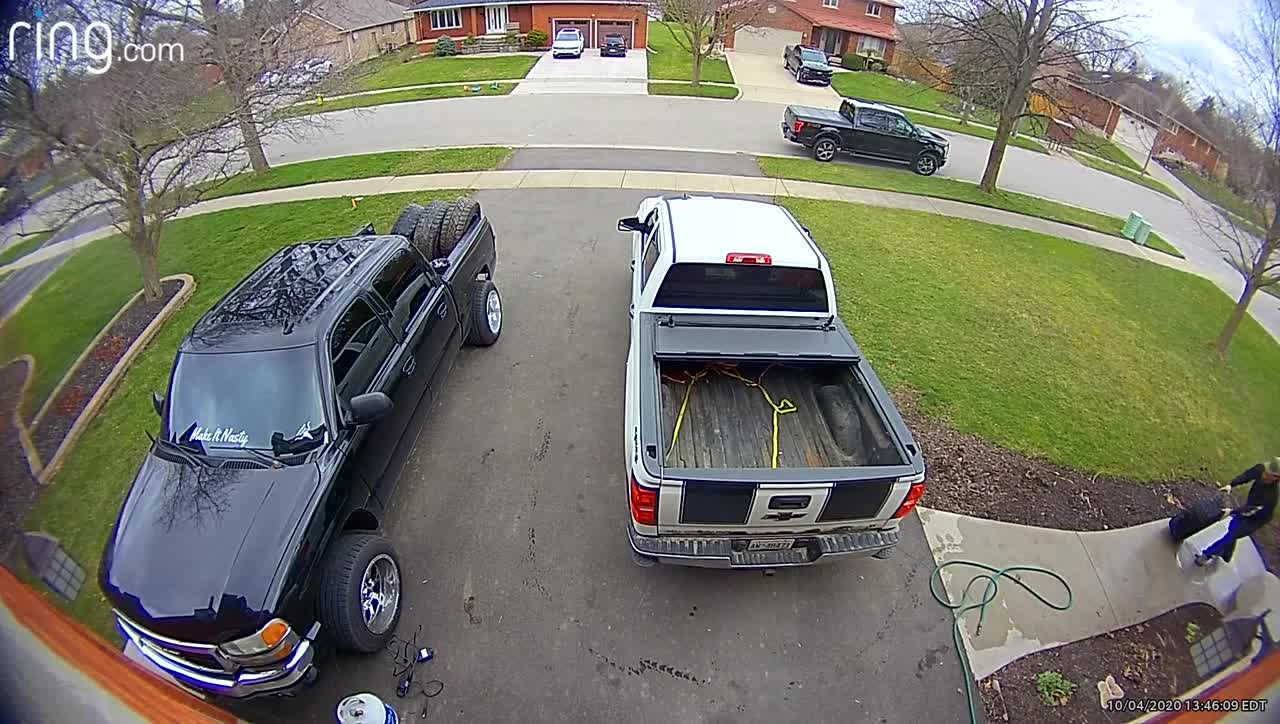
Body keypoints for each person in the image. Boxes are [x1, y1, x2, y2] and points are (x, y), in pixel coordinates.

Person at [1195, 457, 1280, 566]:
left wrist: (1231, 512)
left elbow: (1250, 510)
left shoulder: (1271, 496)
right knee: (1232, 527)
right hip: (1250, 506)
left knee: (1233, 533)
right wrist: (1231, 484)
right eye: (1265, 471)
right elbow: (1247, 475)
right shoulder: (1260, 469)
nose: (1264, 474)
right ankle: (1227, 554)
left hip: (1256, 519)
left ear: (1276, 478)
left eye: (1268, 474)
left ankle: (1206, 555)